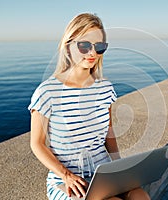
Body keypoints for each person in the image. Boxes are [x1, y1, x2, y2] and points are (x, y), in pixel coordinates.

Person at [28, 13, 150, 200]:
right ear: (68, 46)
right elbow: (36, 143)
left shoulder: (105, 88)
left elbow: (109, 133)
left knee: (140, 196)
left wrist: (120, 167)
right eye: (84, 45)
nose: (92, 53)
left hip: (103, 173)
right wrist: (66, 175)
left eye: (99, 46)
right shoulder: (47, 92)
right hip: (66, 180)